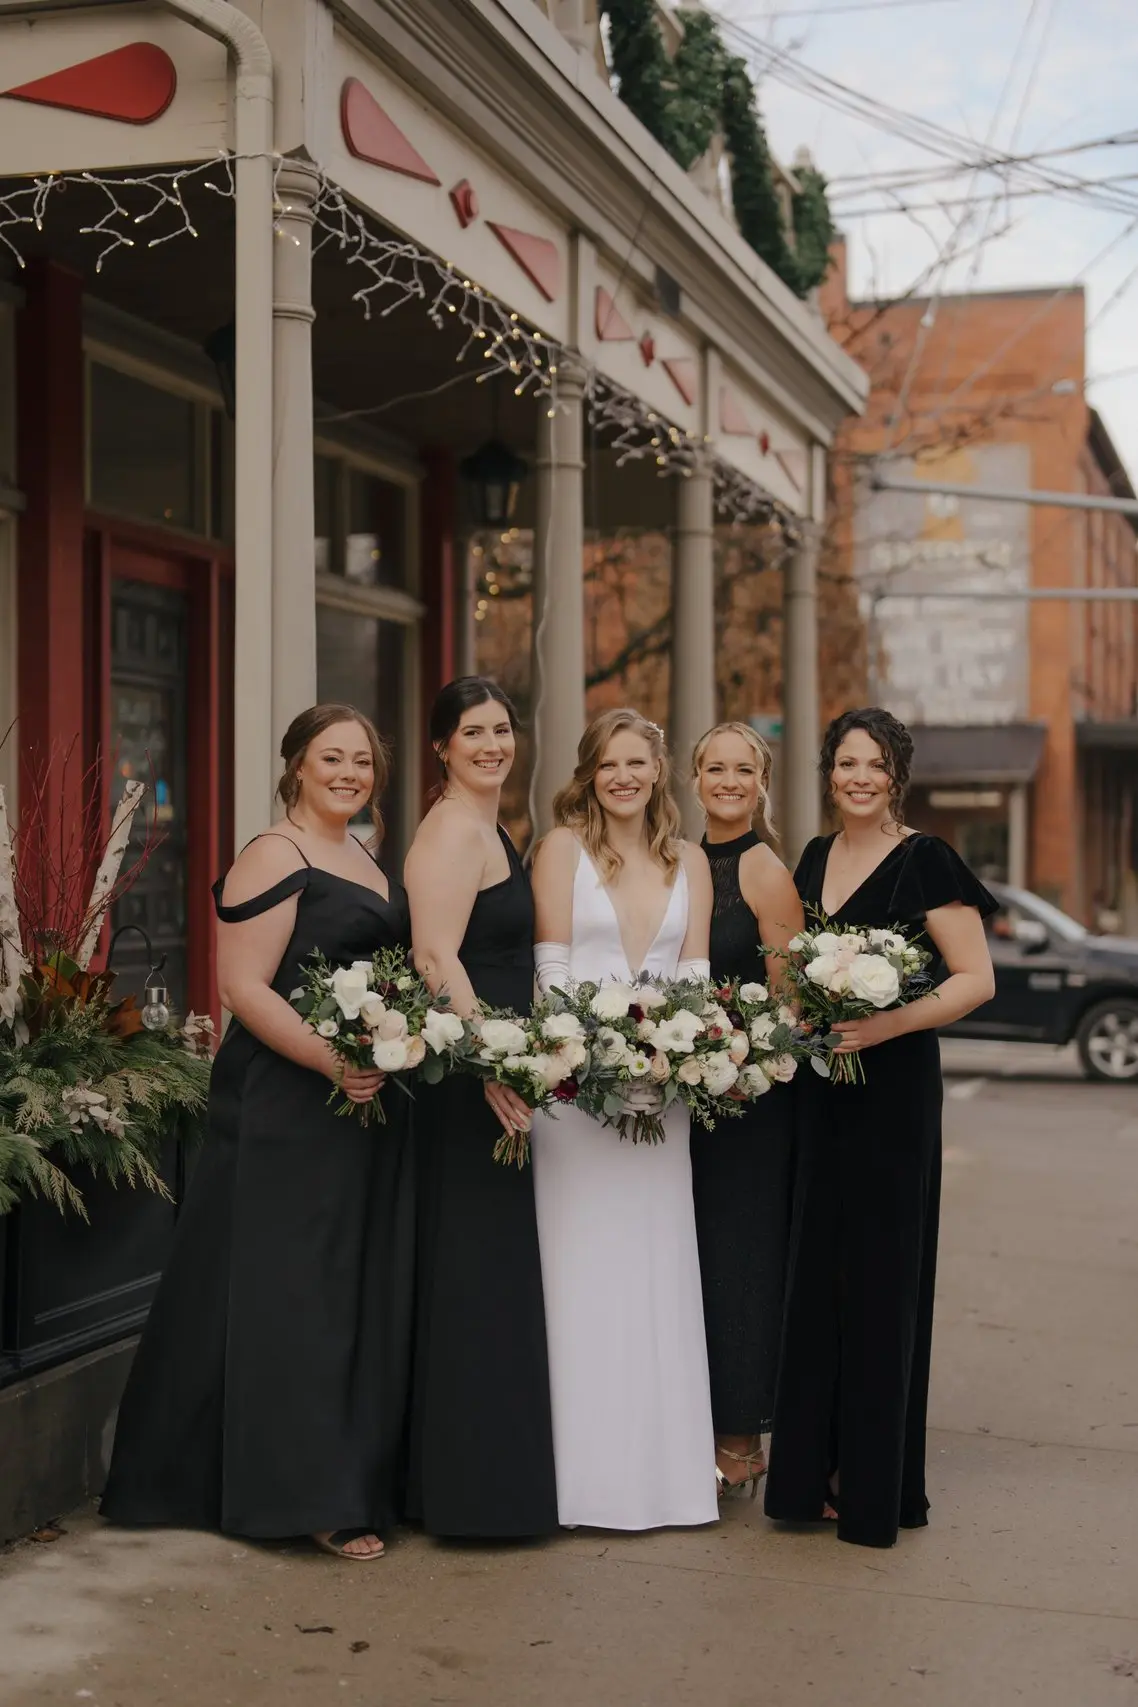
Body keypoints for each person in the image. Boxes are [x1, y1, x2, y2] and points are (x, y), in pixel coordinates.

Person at [102, 705, 415, 1561]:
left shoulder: (362, 854)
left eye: (361, 760)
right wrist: (329, 1058)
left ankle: (328, 1472)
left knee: (334, 1288)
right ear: (296, 765)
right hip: (284, 1098)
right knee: (292, 1295)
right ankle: (302, 1495)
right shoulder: (272, 853)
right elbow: (242, 985)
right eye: (331, 758)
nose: (349, 772)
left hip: (358, 1098)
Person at [764, 707, 996, 1549]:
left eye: (875, 764)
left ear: (897, 773)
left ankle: (871, 1485)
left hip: (892, 1092)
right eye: (845, 763)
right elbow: (789, 965)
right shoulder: (818, 857)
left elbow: (976, 979)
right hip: (822, 1092)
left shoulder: (926, 858)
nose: (858, 777)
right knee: (816, 1274)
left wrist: (887, 1024)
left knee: (880, 1280)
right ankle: (809, 1475)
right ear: (829, 772)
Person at [529, 708, 718, 1531]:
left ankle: (666, 1481)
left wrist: (677, 1063)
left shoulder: (693, 861)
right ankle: (579, 1484)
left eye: (637, 762)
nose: (624, 777)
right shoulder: (561, 849)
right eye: (609, 763)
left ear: (659, 771)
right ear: (589, 772)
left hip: (662, 1100)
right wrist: (592, 1061)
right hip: (574, 1101)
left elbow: (698, 980)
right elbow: (551, 973)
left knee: (655, 1272)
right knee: (580, 1274)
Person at [403, 677, 558, 1538]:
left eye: (502, 728)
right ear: (442, 746)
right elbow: (434, 952)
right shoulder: (453, 829)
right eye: (473, 732)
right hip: (471, 1082)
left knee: (490, 1276)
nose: (493, 744)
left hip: (492, 1067)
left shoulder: (487, 823)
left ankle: (481, 1482)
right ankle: (475, 1494)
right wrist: (491, 1059)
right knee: (477, 1278)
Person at [690, 722, 804, 1497]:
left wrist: (737, 1066)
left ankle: (740, 1436)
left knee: (740, 1262)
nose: (729, 780)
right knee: (689, 1257)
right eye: (715, 767)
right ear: (693, 777)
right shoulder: (676, 861)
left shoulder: (764, 870)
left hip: (749, 1105)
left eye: (744, 769)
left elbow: (790, 1004)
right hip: (678, 1096)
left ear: (763, 783)